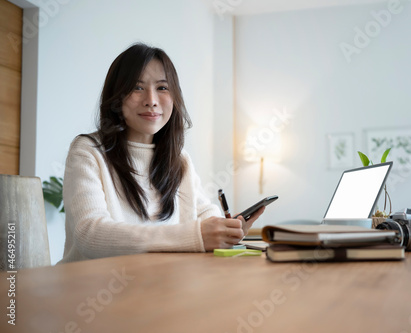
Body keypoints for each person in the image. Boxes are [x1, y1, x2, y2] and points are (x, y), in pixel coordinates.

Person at [59, 43, 264, 263]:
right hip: (89, 289)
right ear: (117, 97)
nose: (151, 100)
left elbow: (204, 211)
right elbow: (90, 235)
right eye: (137, 88)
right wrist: (195, 236)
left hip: (159, 282)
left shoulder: (179, 159)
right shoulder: (89, 151)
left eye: (162, 88)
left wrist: (226, 228)